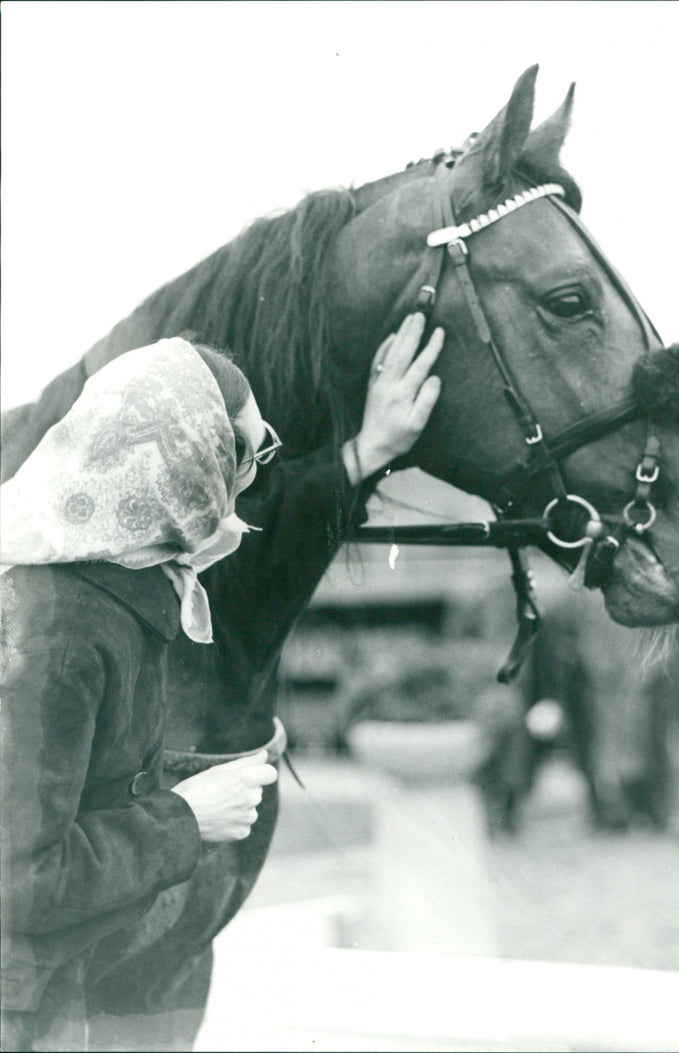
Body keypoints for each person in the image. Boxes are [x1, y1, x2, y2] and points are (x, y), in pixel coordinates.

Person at [0, 317, 443, 1052]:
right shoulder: (60, 634)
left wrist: (368, 452)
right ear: (189, 464)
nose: (250, 477)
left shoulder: (107, 588)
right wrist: (185, 815)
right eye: (247, 449)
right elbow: (19, 878)